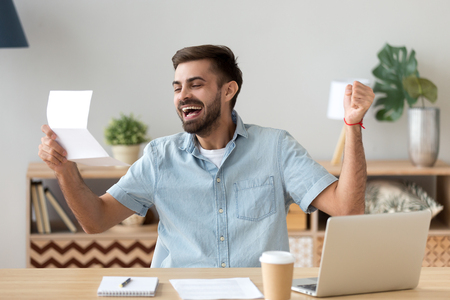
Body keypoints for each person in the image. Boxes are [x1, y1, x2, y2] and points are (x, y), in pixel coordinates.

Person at [38, 45, 375, 268]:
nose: (183, 95)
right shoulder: (159, 157)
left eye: (195, 85)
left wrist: (353, 124)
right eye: (176, 87)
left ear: (228, 91)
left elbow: (348, 209)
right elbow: (96, 221)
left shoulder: (276, 148)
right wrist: (64, 170)